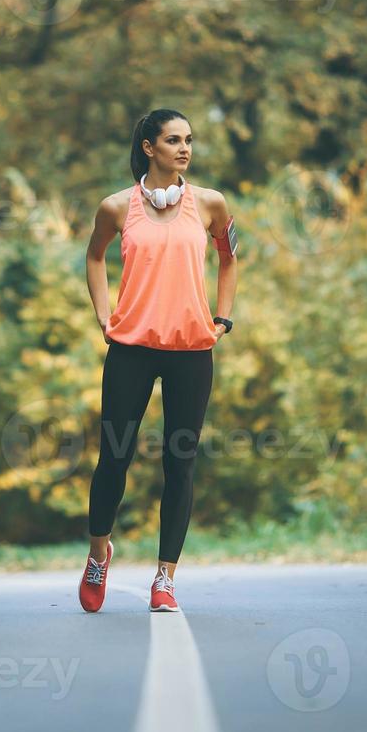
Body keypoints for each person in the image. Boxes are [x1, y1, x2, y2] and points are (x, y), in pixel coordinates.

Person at [79, 108, 240, 613]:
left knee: (181, 463)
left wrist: (222, 319)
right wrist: (105, 316)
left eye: (189, 140)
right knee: (115, 458)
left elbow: (230, 259)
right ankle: (99, 551)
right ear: (149, 147)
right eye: (173, 141)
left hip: (191, 351)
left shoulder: (211, 204)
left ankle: (165, 578)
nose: (185, 149)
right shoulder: (115, 207)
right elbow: (94, 257)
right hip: (131, 349)